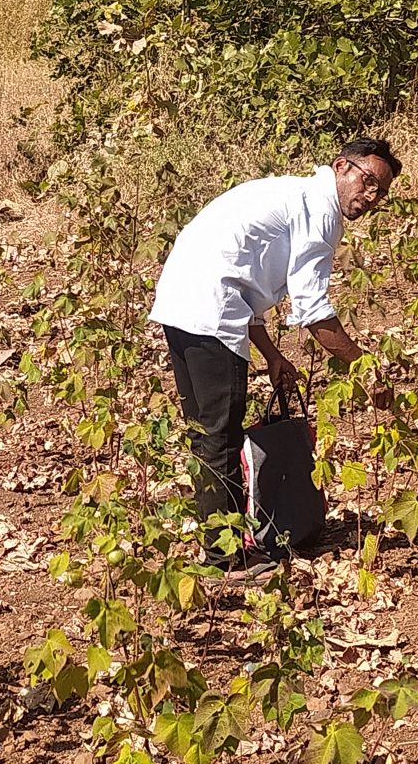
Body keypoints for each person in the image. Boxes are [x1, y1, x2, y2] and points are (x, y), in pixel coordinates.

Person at [149, 136, 401, 564]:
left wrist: (271, 354)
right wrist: (366, 367)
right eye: (368, 182)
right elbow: (313, 310)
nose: (371, 197)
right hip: (209, 309)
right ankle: (225, 558)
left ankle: (223, 545)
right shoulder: (320, 212)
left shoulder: (295, 196)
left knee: (208, 434)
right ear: (341, 166)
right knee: (219, 438)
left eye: (381, 193)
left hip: (182, 300)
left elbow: (242, 272)